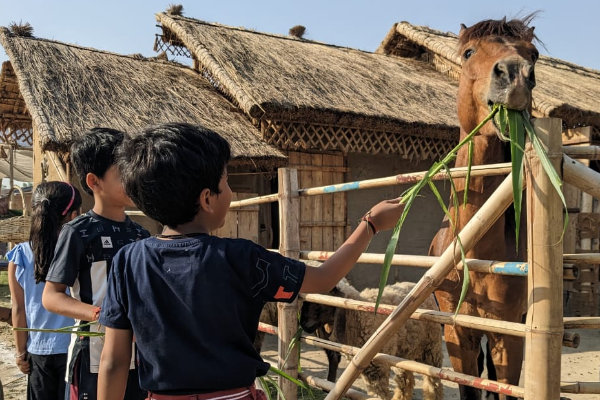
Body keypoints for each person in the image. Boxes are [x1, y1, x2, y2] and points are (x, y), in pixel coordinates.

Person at [96, 122, 404, 400]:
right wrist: (371, 224)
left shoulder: (127, 260)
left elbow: (113, 361)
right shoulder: (241, 257)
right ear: (206, 199)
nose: (230, 190)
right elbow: (324, 278)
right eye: (226, 181)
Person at [42, 128, 150, 400]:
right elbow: (52, 297)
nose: (132, 177)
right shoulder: (78, 232)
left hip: (141, 357)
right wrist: (99, 315)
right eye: (122, 171)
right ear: (94, 181)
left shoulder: (141, 235)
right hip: (93, 356)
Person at [7, 182, 81, 400]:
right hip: (75, 349)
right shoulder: (81, 249)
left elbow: (19, 310)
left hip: (39, 351)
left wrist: (21, 353)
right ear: (74, 215)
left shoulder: (20, 256)